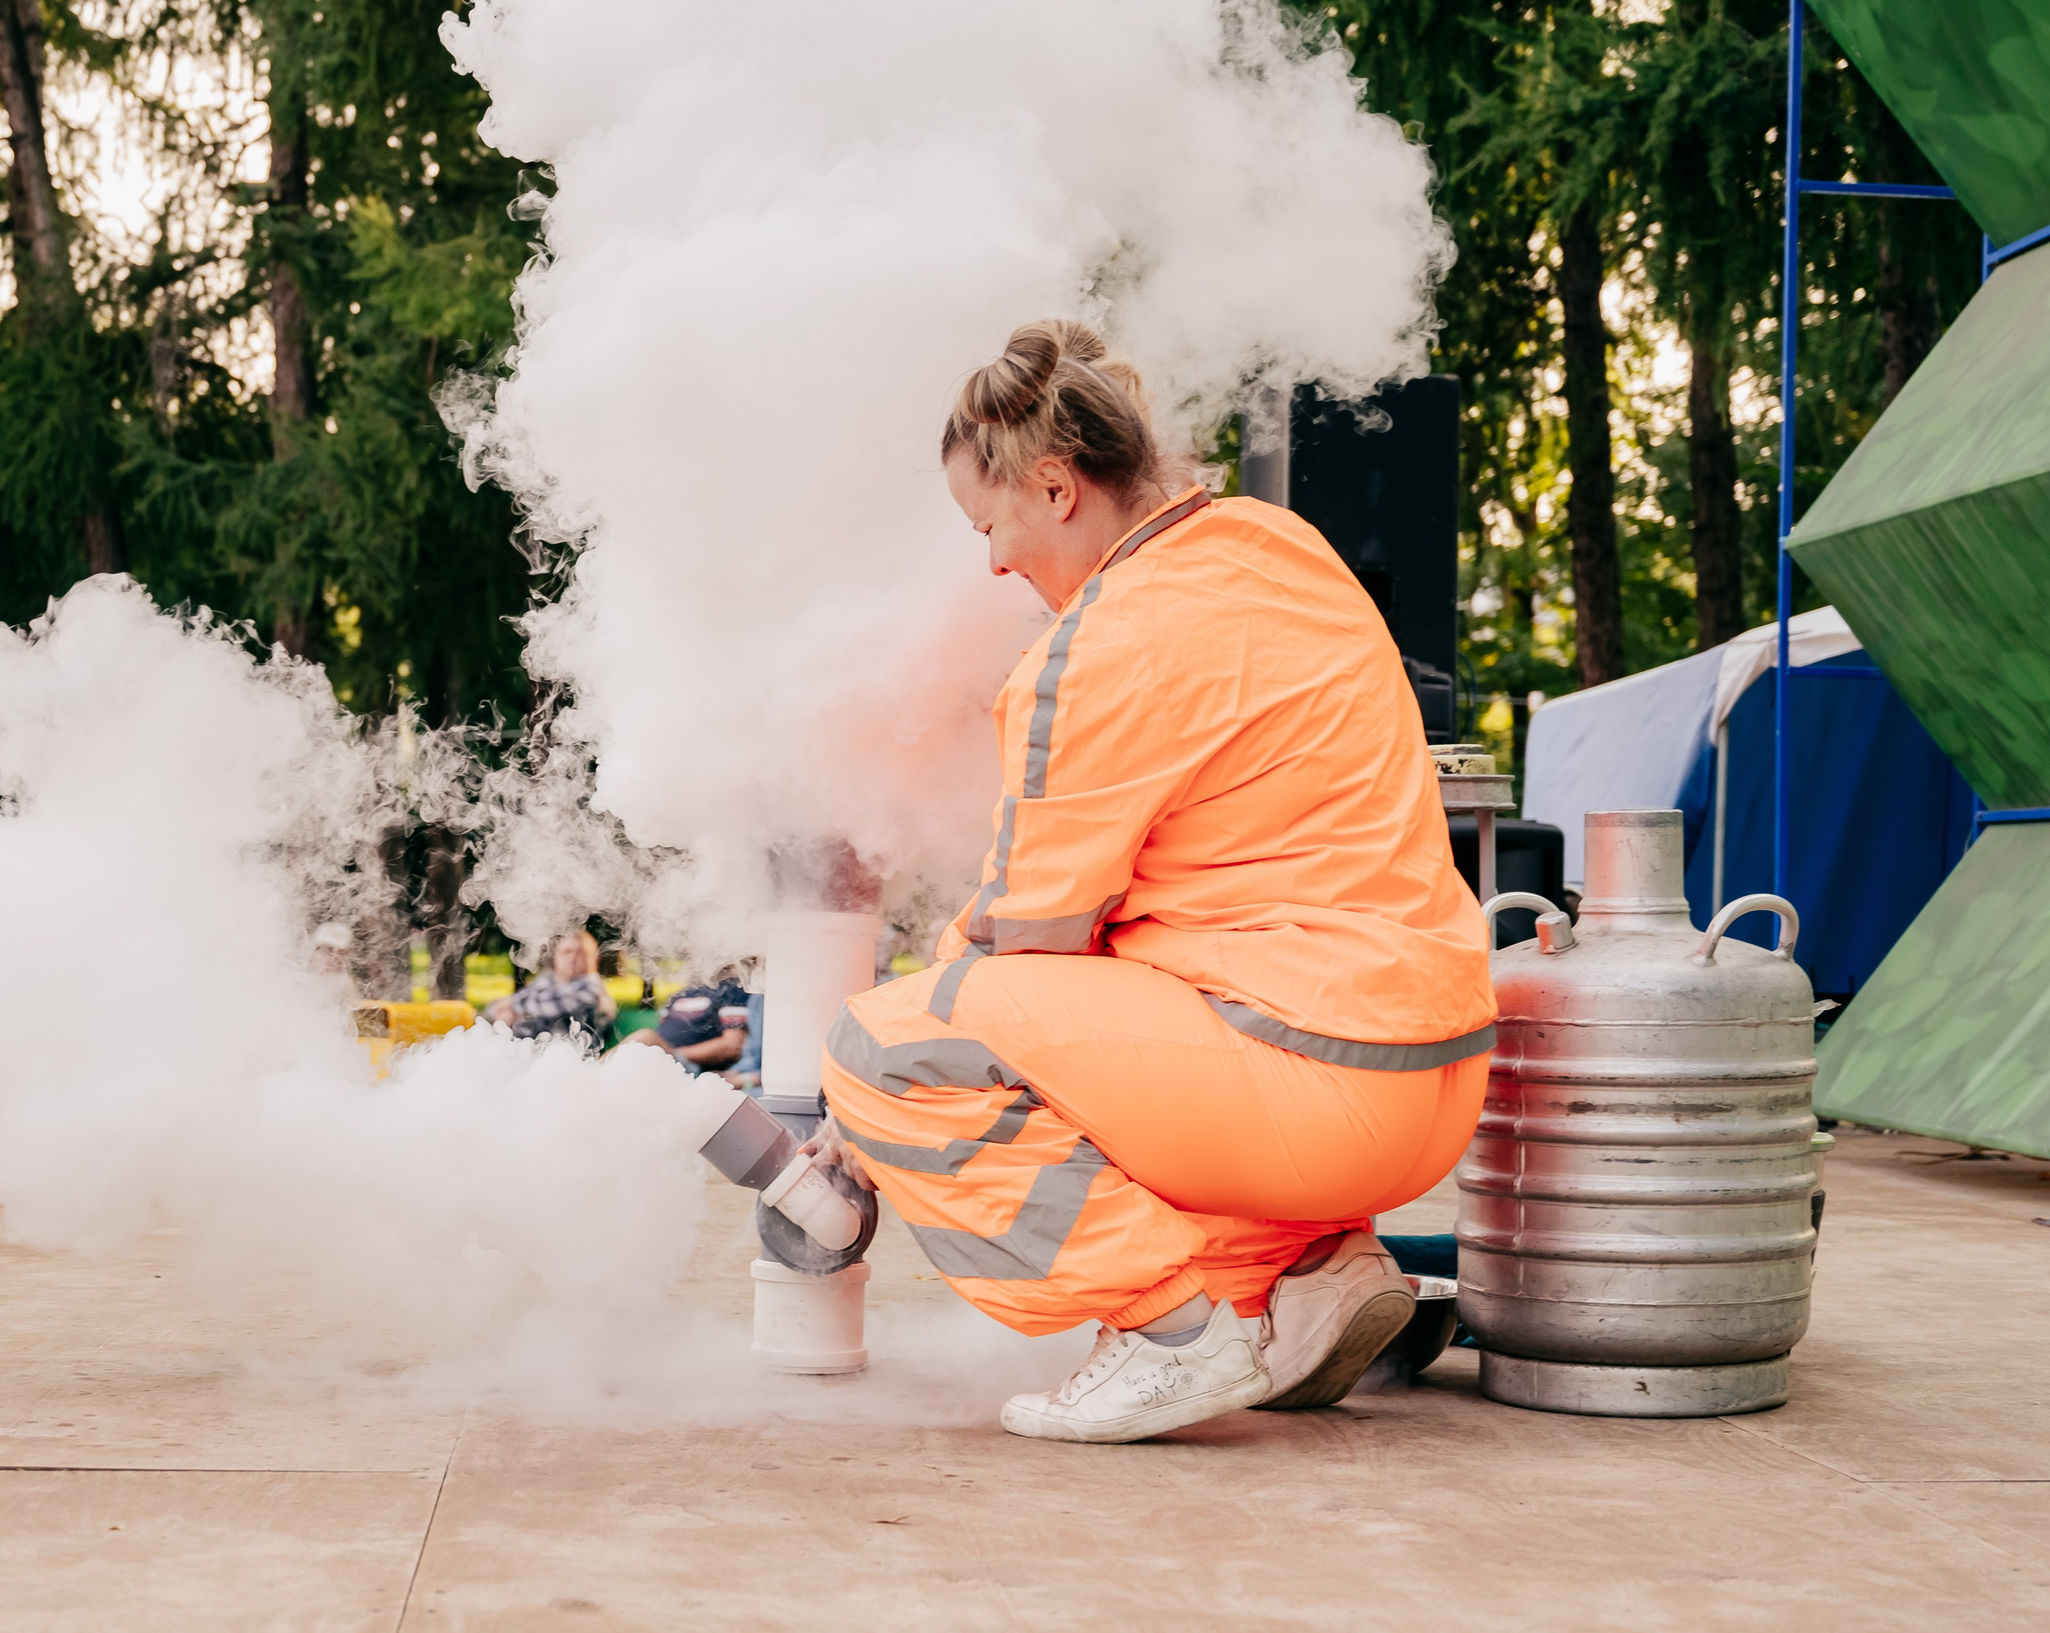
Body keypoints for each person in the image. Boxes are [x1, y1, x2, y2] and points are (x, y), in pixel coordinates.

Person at [811, 322, 1494, 1444]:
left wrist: (865, 1108)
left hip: (1314, 1091)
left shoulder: (1094, 648)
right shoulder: (1279, 546)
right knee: (1148, 997)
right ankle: (1303, 1274)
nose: (990, 563)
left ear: (1054, 483)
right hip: (1438, 1077)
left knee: (884, 1053)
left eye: (989, 525)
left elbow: (1031, 943)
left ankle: (1167, 1334)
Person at [486, 930, 617, 1046]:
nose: (572, 958)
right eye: (566, 952)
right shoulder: (547, 980)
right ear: (556, 956)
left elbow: (542, 1007)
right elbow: (495, 1008)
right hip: (525, 1051)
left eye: (581, 953)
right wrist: (504, 1010)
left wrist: (510, 1007)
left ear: (595, 960)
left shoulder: (592, 990)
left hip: (566, 1061)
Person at [619, 972, 750, 1074]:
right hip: (661, 1058)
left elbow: (733, 1045)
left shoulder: (733, 990)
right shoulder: (684, 992)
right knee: (636, 1053)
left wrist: (676, 1054)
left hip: (692, 1067)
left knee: (645, 1038)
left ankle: (599, 1074)